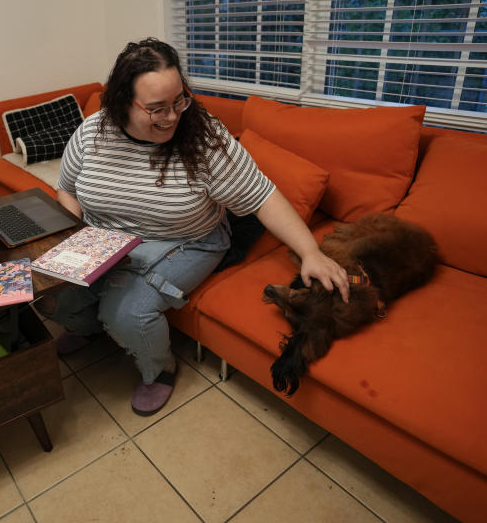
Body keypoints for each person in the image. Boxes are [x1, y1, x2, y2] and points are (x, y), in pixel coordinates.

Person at [47, 38, 349, 417]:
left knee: (127, 313)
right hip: (105, 236)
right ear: (122, 102)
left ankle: (159, 372)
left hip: (188, 240)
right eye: (156, 108)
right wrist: (79, 243)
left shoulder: (205, 138)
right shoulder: (94, 131)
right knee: (54, 296)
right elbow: (66, 189)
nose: (172, 116)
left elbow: (263, 196)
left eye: (179, 101)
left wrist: (310, 252)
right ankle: (88, 326)